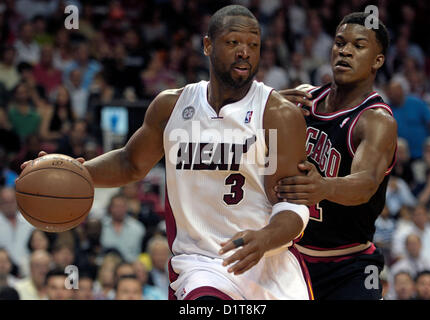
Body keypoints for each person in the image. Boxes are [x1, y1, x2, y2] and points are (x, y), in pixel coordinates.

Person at [22, 5, 312, 300]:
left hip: (268, 267)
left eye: (254, 45)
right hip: (201, 266)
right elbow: (130, 162)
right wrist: (73, 171)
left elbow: (294, 205)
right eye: (233, 42)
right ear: (208, 45)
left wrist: (264, 238)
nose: (244, 52)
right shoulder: (172, 106)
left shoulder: (277, 115)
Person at [278, 12, 397, 300]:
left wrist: (324, 187)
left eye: (358, 46)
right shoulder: (303, 100)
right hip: (289, 257)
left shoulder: (376, 120)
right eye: (340, 43)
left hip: (348, 265)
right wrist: (266, 102)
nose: (345, 50)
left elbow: (365, 184)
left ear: (377, 61)